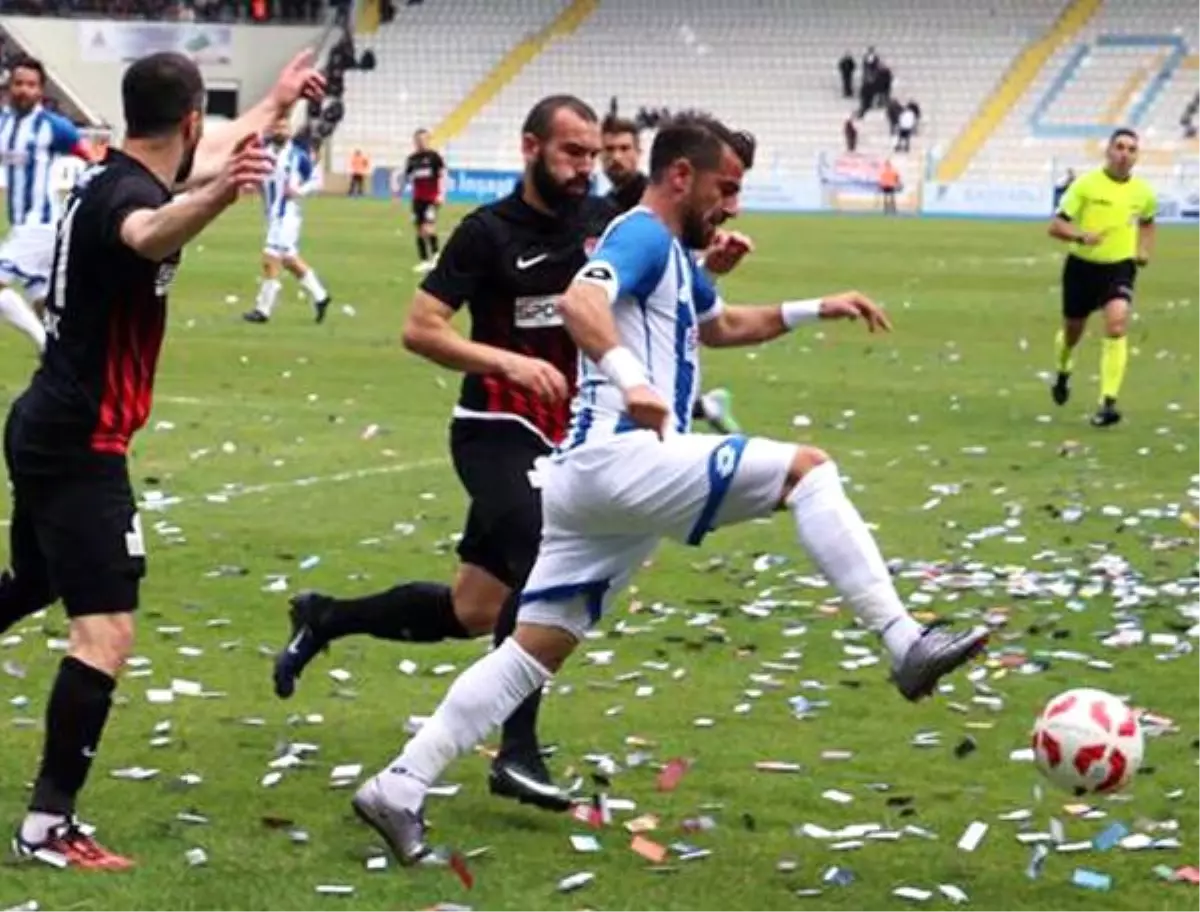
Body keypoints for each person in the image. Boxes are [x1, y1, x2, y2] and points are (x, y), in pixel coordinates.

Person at [347, 112, 990, 865]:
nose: (733, 206)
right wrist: (633, 381)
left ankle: (398, 786)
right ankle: (903, 640)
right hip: (624, 458)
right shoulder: (642, 233)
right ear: (680, 176)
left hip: (593, 483)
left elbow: (724, 326)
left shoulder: (675, 255)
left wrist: (821, 307)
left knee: (532, 650)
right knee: (806, 472)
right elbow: (580, 305)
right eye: (726, 187)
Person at [271, 99, 756, 813]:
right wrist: (508, 363)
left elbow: (667, 295)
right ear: (530, 148)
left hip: (569, 436)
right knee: (540, 557)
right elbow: (420, 328)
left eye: (592, 154)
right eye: (571, 152)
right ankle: (517, 751)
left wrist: (702, 264)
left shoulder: (608, 226)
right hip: (495, 425)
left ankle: (325, 617)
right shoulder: (486, 233)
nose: (585, 166)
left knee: (473, 608)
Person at [1, 49, 323, 870]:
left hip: (46, 422)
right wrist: (219, 194)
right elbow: (149, 234)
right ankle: (47, 826)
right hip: (79, 443)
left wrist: (278, 100)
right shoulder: (134, 201)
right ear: (188, 121)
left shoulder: (119, 171)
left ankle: (49, 821)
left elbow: (211, 157)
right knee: (104, 634)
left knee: (36, 584)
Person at [600, 113, 742, 433]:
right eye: (607, 150)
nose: (615, 157)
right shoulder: (603, 208)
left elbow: (582, 298)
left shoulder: (654, 209)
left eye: (624, 148)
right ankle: (702, 407)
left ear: (639, 152)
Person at [1047, 128, 1155, 427]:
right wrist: (1082, 236)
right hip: (1082, 267)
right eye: (1119, 147)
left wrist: (1143, 250)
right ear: (1108, 151)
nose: (1124, 154)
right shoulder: (1086, 185)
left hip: (1119, 267)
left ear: (1136, 156)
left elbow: (1148, 221)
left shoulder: (1143, 192)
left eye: (1131, 149)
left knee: (1117, 322)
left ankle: (1108, 402)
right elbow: (1055, 226)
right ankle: (1063, 370)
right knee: (1073, 331)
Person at [0, 56, 94, 353]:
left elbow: (89, 156)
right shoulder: (3, 124)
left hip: (40, 224)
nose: (24, 90)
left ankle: (46, 348)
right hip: (21, 225)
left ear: (41, 90)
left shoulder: (54, 127)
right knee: (40, 298)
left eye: (31, 85)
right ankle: (71, 357)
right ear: (8, 86)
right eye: (18, 83)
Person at [243, 116, 332, 324]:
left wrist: (298, 190)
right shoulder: (264, 154)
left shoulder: (297, 156)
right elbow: (262, 179)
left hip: (287, 215)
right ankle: (321, 296)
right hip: (272, 214)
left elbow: (317, 181)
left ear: (290, 131)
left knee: (270, 258)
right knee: (290, 260)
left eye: (284, 127)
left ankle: (262, 309)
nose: (281, 130)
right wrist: (251, 184)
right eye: (277, 126)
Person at [402, 128, 445, 273]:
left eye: (424, 139)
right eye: (418, 140)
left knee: (428, 227)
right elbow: (407, 177)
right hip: (417, 199)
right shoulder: (412, 160)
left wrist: (441, 194)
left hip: (431, 198)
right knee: (419, 229)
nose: (421, 142)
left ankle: (436, 256)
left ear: (428, 140)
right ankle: (424, 260)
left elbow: (442, 175)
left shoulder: (434, 157)